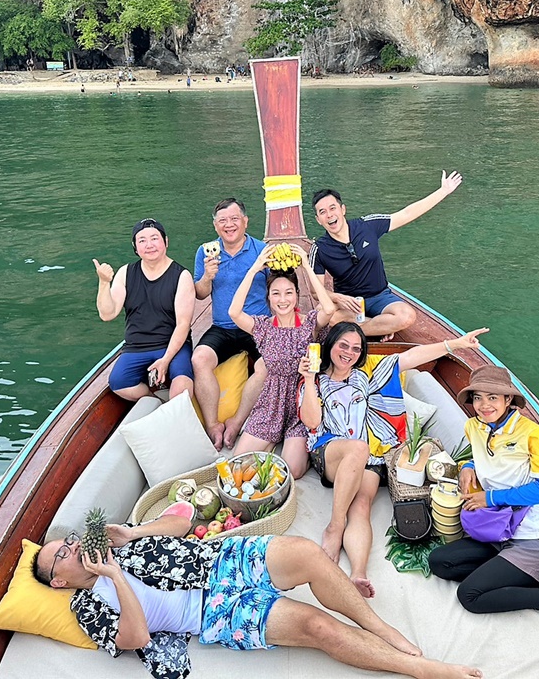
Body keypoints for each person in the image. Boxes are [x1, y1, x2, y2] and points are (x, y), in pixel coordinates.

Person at [34, 514, 483, 679]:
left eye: (70, 541)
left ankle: (380, 626)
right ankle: (421, 669)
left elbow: (183, 517)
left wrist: (133, 532)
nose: (75, 548)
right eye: (62, 556)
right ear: (59, 581)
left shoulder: (114, 541)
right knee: (316, 626)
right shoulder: (87, 607)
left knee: (307, 552)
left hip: (219, 559)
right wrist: (116, 576)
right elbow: (134, 638)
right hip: (214, 613)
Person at [299, 324, 489, 597]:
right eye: (343, 345)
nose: (349, 353)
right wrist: (307, 380)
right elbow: (312, 421)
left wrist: (456, 344)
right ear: (330, 344)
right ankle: (335, 525)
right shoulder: (314, 377)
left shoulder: (370, 372)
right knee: (356, 449)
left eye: (356, 348)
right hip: (330, 451)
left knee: (362, 505)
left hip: (372, 454)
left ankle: (358, 573)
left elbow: (412, 357)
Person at [428, 365, 539, 641]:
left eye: (493, 397)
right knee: (440, 562)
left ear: (508, 400)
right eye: (478, 397)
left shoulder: (533, 435)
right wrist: (467, 465)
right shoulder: (473, 427)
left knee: (470, 595)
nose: (484, 405)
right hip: (499, 532)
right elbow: (481, 455)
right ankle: (501, 569)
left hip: (534, 538)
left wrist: (489, 498)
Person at [308, 172, 462, 340]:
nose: (329, 215)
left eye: (332, 208)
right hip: (348, 304)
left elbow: (406, 214)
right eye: (322, 212)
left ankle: (362, 328)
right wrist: (339, 298)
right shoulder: (320, 249)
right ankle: (379, 326)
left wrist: (443, 191)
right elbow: (316, 291)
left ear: (343, 209)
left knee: (406, 316)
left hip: (380, 297)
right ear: (318, 220)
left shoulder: (368, 225)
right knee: (322, 314)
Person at [227, 242, 336, 478]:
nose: (282, 299)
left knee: (293, 470)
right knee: (238, 464)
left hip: (302, 404)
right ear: (268, 298)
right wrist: (255, 268)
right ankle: (269, 442)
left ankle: (283, 446)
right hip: (271, 404)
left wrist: (306, 265)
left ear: (297, 297)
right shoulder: (263, 327)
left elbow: (328, 308)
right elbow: (234, 313)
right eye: (276, 294)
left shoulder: (309, 323)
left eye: (289, 293)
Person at [192, 199, 269, 450]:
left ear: (245, 221)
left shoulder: (261, 250)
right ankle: (213, 424)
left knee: (268, 365)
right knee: (199, 359)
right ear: (215, 226)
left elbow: (278, 289)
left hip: (256, 325)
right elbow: (201, 294)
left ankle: (236, 422)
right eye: (223, 221)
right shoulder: (205, 251)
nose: (229, 225)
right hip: (223, 326)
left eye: (235, 219)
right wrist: (207, 277)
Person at [93, 219, 194, 402]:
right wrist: (103, 282)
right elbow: (107, 314)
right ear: (135, 247)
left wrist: (166, 360)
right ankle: (157, 401)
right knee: (118, 382)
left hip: (171, 344)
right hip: (136, 346)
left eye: (154, 238)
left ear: (166, 241)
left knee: (182, 388)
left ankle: (176, 413)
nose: (149, 245)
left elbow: (183, 325)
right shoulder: (126, 272)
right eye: (142, 240)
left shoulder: (181, 276)